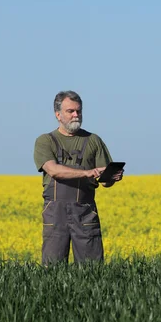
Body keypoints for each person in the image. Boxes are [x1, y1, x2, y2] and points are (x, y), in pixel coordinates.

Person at [33, 90, 123, 264]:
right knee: (52, 267)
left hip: (85, 212)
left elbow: (105, 183)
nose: (76, 115)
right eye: (70, 111)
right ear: (58, 115)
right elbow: (54, 170)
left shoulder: (93, 140)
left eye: (79, 111)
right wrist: (87, 172)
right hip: (55, 213)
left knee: (92, 268)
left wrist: (112, 177)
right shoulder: (45, 141)